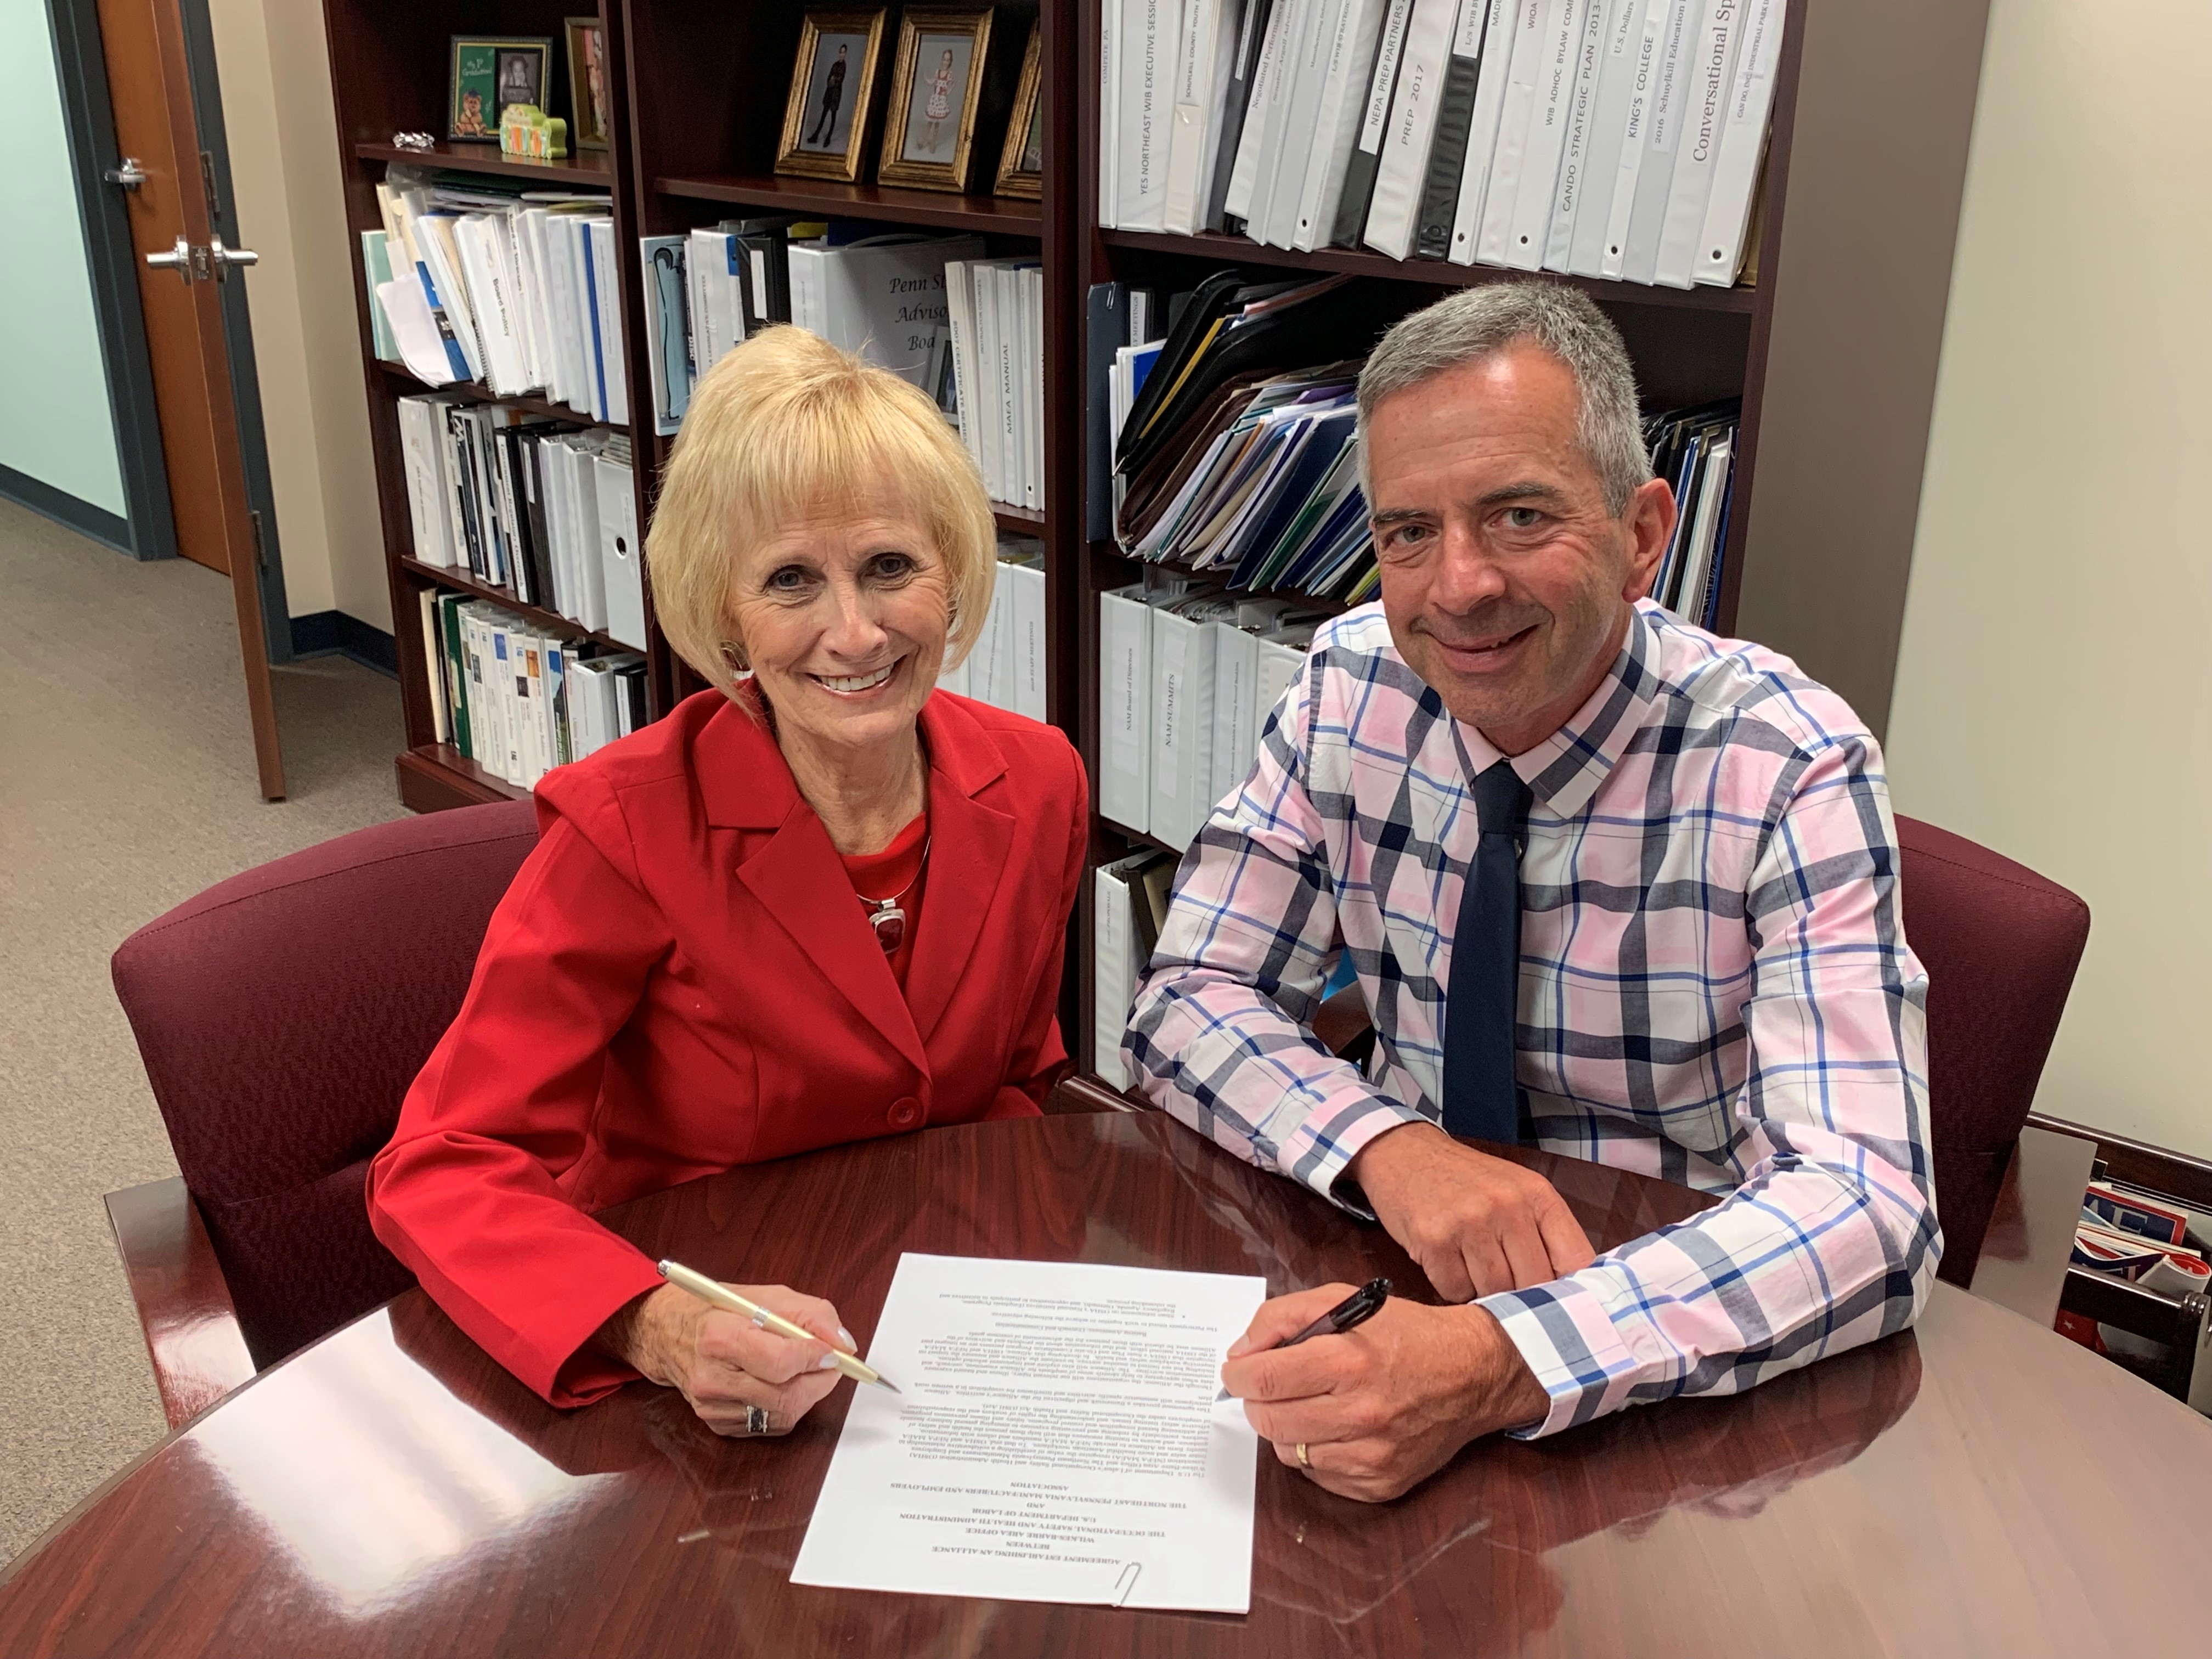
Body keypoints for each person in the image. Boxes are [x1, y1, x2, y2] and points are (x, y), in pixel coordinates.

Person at [1126, 283, 1937, 1502]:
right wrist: (1392, 1146)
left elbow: (1868, 1205)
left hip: (1667, 1358)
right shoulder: (1351, 686)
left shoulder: (1790, 764)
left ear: (1644, 532)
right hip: (1389, 1265)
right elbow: (1187, 995)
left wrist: (1499, 1360)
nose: (1457, 587)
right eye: (1408, 532)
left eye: (1516, 516)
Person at [369, 326, 1087, 1436]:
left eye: (891, 566)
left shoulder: (1038, 780)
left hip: (936, 1340)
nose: (854, 632)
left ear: (954, 573)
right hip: (705, 1361)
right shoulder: (628, 826)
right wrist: (649, 1322)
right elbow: (445, 1166)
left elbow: (1021, 1078)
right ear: (725, 609)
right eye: (790, 580)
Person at [808, 44, 849, 148]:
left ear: (845, 54)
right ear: (839, 53)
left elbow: (839, 80)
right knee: (823, 116)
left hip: (836, 95)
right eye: (841, 52)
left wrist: (833, 78)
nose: (842, 54)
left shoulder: (844, 66)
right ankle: (816, 135)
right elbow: (829, 78)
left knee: (833, 117)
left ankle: (828, 138)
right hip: (829, 93)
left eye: (844, 52)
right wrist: (832, 79)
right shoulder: (835, 64)